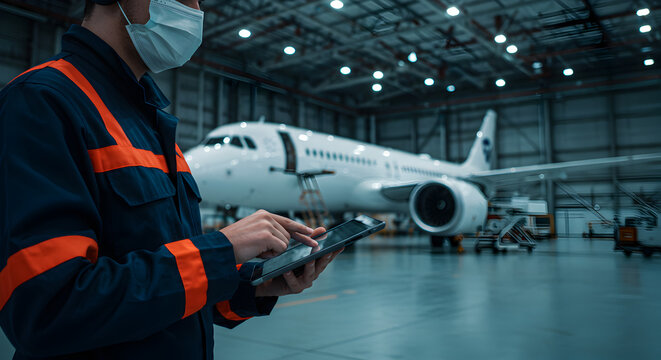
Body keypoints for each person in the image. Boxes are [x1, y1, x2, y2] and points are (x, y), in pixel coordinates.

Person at [0, 0, 341, 358]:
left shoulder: (149, 122)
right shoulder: (42, 102)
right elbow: (48, 310)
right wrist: (221, 251)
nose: (194, 10)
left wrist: (253, 285)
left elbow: (173, 291)